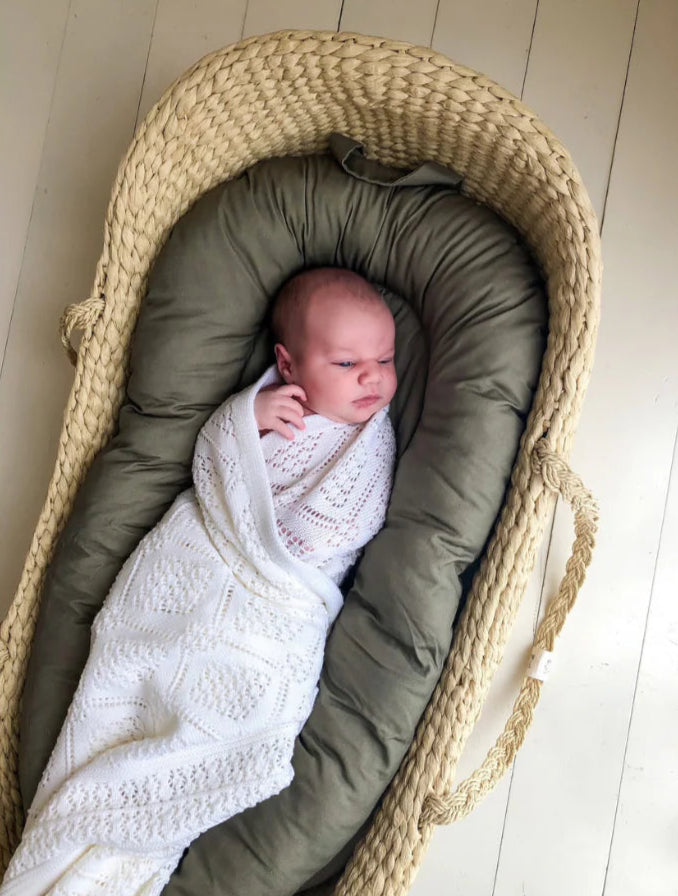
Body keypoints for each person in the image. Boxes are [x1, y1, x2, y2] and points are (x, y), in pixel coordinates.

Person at [1, 267, 397, 896]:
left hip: (277, 601)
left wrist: (282, 547)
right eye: (347, 363)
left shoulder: (369, 443)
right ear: (288, 365)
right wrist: (248, 416)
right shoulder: (263, 408)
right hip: (199, 563)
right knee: (136, 675)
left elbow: (352, 523)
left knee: (229, 714)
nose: (371, 377)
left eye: (386, 359)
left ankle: (113, 835)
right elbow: (214, 462)